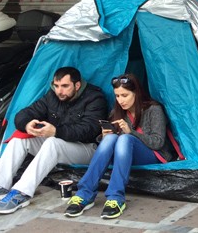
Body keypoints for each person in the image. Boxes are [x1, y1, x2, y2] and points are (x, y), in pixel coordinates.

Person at [0, 66, 108, 214]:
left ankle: (22, 193)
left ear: (77, 85)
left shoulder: (94, 98)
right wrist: (28, 125)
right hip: (60, 143)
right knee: (19, 139)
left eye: (65, 86)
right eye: (56, 85)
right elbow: (24, 114)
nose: (59, 91)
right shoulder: (52, 96)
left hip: (86, 148)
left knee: (52, 142)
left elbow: (89, 130)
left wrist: (56, 131)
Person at [65, 73, 176, 219]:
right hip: (124, 154)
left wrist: (131, 132)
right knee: (111, 138)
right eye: (117, 96)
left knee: (125, 139)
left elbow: (158, 142)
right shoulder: (118, 111)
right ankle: (84, 194)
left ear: (136, 93)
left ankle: (115, 197)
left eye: (125, 95)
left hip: (152, 154)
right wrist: (103, 137)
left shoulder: (153, 109)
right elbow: (112, 140)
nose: (120, 100)